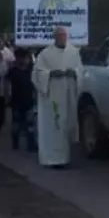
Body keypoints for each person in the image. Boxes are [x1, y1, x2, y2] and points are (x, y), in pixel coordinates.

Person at [31, 27, 82, 168]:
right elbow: (37, 73)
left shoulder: (74, 52)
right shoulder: (45, 54)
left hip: (68, 94)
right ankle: (52, 159)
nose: (62, 38)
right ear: (54, 37)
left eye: (64, 35)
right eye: (59, 36)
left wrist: (75, 73)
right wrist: (51, 74)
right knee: (54, 125)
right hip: (52, 95)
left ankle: (67, 157)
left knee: (67, 124)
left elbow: (80, 70)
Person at [7, 47, 37, 151]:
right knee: (16, 124)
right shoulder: (12, 71)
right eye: (20, 58)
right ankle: (15, 142)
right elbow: (7, 85)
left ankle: (31, 144)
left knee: (30, 123)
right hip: (16, 101)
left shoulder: (32, 71)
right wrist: (7, 98)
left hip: (29, 100)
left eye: (25, 58)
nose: (23, 60)